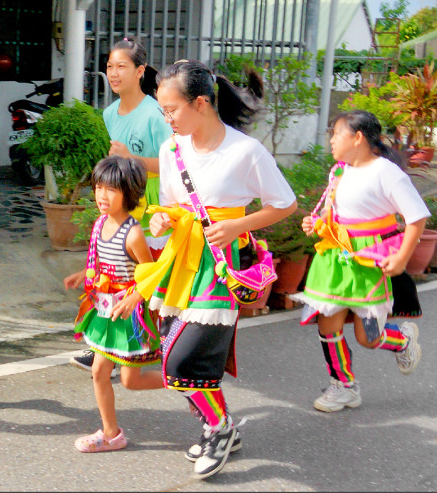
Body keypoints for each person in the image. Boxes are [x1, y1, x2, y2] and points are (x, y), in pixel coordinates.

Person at [134, 59, 297, 479]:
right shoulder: (172, 149)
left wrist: (239, 224)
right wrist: (162, 220)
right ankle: (217, 426)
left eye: (170, 110)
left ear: (201, 103)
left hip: (223, 264)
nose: (165, 118)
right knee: (191, 362)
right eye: (162, 110)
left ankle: (220, 428)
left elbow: (285, 204)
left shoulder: (246, 151)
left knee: (178, 362)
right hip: (182, 261)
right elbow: (172, 205)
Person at [298, 110, 428, 413]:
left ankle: (402, 341)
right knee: (327, 324)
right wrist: (317, 223)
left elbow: (416, 219)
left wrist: (401, 258)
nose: (330, 140)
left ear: (357, 137)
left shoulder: (387, 173)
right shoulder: (339, 171)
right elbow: (336, 213)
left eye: (336, 134)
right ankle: (343, 386)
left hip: (369, 263)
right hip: (332, 261)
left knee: (368, 336)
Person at [70, 36, 172, 375]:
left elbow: (172, 162)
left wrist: (133, 159)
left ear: (140, 71)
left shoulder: (157, 113)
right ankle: (108, 349)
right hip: (118, 209)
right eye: (110, 67)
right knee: (111, 275)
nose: (113, 74)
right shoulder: (109, 113)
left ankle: (146, 349)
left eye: (121, 67)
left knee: (142, 278)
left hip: (150, 210)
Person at [63, 155, 165, 453]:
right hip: (105, 310)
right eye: (98, 188)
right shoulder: (99, 224)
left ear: (128, 192)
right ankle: (112, 434)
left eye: (111, 190)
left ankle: (186, 382)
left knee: (131, 380)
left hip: (128, 315)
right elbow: (104, 263)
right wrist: (84, 274)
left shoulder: (133, 234)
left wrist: (135, 296)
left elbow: (152, 275)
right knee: (100, 372)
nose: (102, 196)